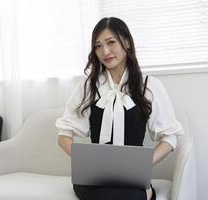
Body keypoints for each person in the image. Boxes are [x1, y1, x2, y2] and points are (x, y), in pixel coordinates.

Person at [55, 17, 183, 200]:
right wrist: (87, 164)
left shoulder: (149, 85)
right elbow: (63, 136)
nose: (105, 51)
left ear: (127, 42)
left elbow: (170, 137)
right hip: (94, 180)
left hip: (132, 181)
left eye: (111, 42)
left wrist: (142, 167)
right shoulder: (87, 87)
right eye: (98, 46)